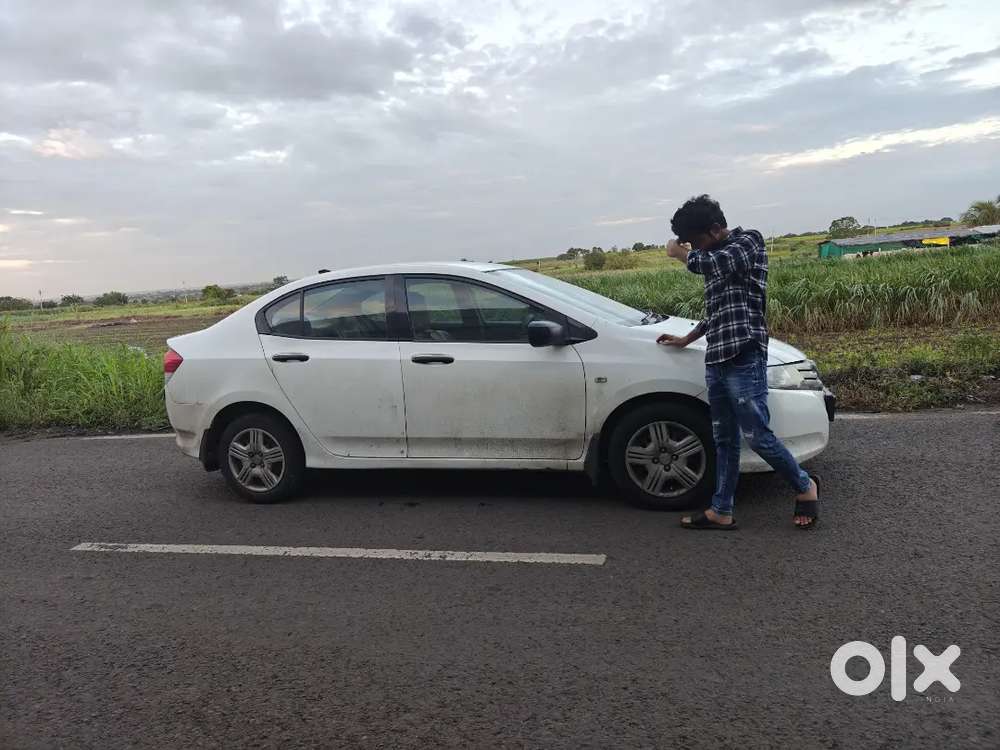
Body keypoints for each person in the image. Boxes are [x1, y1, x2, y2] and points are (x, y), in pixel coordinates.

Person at [657, 195, 820, 530]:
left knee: (757, 435)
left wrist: (679, 253)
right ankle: (722, 509)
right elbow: (718, 310)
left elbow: (711, 264)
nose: (696, 248)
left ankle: (805, 486)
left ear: (716, 229)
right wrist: (687, 339)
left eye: (698, 240)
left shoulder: (748, 242)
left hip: (745, 353)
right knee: (724, 439)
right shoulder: (713, 254)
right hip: (716, 356)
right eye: (690, 244)